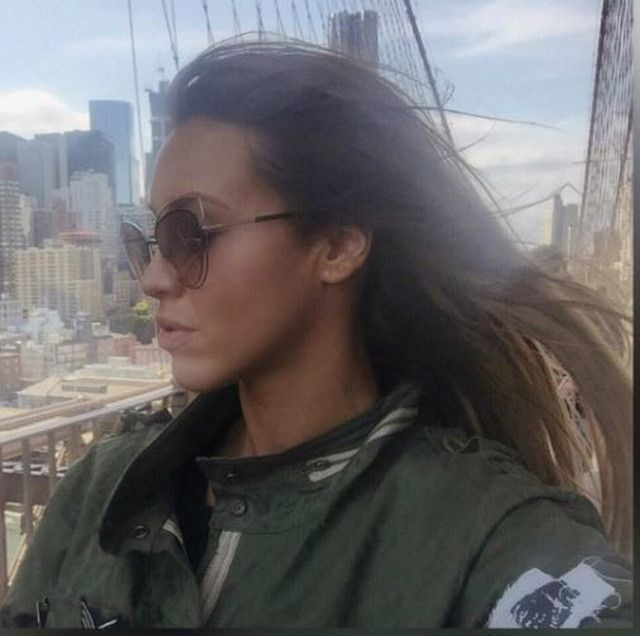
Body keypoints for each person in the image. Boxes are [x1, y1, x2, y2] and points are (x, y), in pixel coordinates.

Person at [0, 39, 632, 629]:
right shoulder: (102, 486)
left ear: (337, 244)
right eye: (151, 240)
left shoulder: (484, 531)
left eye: (191, 233)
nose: (155, 278)